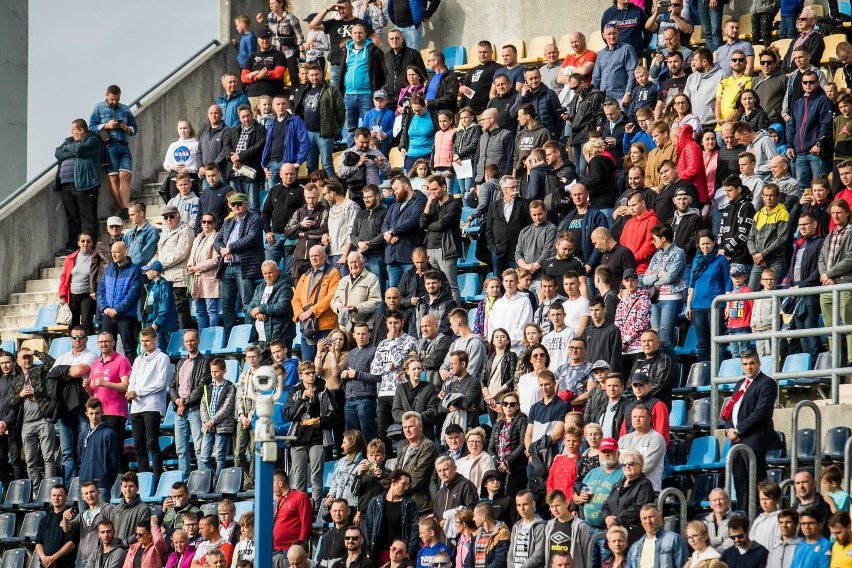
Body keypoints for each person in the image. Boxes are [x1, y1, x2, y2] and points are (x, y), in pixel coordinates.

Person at [215, 192, 265, 337]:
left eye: (239, 204)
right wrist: (223, 251)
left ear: (246, 204)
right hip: (226, 267)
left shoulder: (254, 219)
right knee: (227, 306)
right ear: (230, 206)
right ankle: (230, 337)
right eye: (233, 204)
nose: (236, 206)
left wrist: (230, 248)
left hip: (245, 267)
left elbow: (251, 238)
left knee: (247, 304)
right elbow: (217, 241)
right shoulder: (228, 222)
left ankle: (249, 336)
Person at [90, 85, 137, 215]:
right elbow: (91, 127)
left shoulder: (125, 109)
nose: (114, 102)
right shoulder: (98, 108)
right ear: (107, 96)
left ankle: (125, 207)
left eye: (116, 99)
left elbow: (134, 128)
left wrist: (127, 128)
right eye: (112, 99)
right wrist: (106, 125)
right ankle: (123, 209)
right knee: (114, 178)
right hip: (109, 146)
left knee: (126, 175)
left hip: (123, 144)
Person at [55, 121, 101, 255]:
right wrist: (71, 150)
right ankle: (72, 247)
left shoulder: (92, 140)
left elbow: (80, 150)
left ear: (81, 130)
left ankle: (89, 247)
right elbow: (58, 153)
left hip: (85, 183)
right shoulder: (69, 141)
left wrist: (68, 150)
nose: (72, 133)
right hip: (66, 183)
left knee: (87, 217)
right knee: (72, 217)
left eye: (73, 130)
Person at [786, 70, 834, 191]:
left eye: (811, 82)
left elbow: (826, 124)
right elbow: (791, 125)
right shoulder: (798, 103)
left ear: (817, 83)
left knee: (821, 189)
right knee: (802, 190)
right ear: (802, 84)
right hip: (799, 153)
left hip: (816, 152)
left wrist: (819, 143)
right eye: (805, 82)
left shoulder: (823, 100)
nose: (808, 85)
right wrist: (790, 145)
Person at [819, 199, 852, 362]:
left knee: (848, 323)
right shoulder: (830, 235)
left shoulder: (851, 233)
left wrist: (829, 274)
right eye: (833, 213)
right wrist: (825, 276)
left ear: (847, 213)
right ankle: (835, 358)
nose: (836, 216)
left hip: (845, 284)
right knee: (830, 326)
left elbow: (850, 259)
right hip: (827, 287)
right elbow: (821, 259)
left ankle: (851, 358)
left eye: (839, 212)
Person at [383, 175, 429, 287]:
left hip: (409, 257)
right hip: (392, 257)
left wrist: (392, 231)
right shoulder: (394, 206)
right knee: (394, 293)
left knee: (412, 291)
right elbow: (385, 224)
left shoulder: (420, 200)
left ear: (405, 185)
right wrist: (388, 235)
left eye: (396, 189)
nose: (394, 192)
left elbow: (413, 220)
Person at [77, 398, 121, 503]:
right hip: (83, 483)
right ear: (86, 414)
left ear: (102, 413)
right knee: (83, 518)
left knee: (101, 518)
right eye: (91, 413)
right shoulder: (83, 434)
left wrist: (106, 480)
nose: (94, 416)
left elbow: (114, 462)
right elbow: (79, 458)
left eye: (97, 413)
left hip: (101, 484)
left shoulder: (109, 434)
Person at [617, 405, 666, 492]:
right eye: (634, 417)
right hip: (624, 489)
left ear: (649, 419)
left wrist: (621, 475)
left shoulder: (656, 438)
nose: (637, 420)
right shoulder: (623, 439)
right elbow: (616, 463)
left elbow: (647, 466)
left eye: (641, 417)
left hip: (648, 490)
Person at [187, 212, 222, 331]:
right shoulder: (198, 238)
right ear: (201, 223)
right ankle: (202, 337)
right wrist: (190, 266)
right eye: (204, 222)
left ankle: (213, 335)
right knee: (200, 311)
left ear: (214, 223)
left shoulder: (217, 237)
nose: (206, 224)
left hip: (209, 279)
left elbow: (216, 259)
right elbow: (192, 255)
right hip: (197, 279)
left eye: (209, 222)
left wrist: (198, 267)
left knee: (211, 310)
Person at [392, 357, 440, 440]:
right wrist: (409, 421)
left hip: (425, 434)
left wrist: (416, 419)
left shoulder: (430, 387)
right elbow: (396, 411)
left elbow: (433, 410)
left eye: (419, 368)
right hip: (404, 436)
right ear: (407, 371)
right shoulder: (401, 388)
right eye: (414, 369)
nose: (417, 371)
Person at [36, 485, 80, 568]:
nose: (56, 498)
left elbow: (72, 543)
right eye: (54, 495)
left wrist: (53, 558)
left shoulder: (72, 517)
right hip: (46, 565)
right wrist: (43, 558)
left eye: (59, 495)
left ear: (66, 497)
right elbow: (38, 542)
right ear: (50, 497)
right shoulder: (44, 519)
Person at [543, 490, 590, 568]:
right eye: (551, 506)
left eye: (557, 505)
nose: (554, 509)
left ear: (566, 503)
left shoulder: (581, 526)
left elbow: (586, 554)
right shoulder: (549, 525)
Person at [592, 25, 637, 104]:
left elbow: (632, 73)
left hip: (621, 97)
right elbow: (596, 78)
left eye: (614, 33)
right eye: (609, 34)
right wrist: (591, 93)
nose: (612, 36)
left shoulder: (627, 49)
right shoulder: (601, 54)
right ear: (604, 36)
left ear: (618, 33)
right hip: (603, 98)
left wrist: (628, 93)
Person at [140, 260, 179, 352]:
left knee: (159, 350)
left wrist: (157, 322)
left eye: (148, 270)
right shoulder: (152, 285)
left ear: (155, 272)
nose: (146, 273)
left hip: (159, 325)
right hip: (150, 322)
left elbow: (164, 306)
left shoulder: (164, 286)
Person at [272, 470, 313, 552]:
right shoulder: (279, 500)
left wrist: (299, 548)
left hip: (291, 550)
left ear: (280, 484)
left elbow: (306, 525)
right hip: (276, 550)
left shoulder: (301, 497)